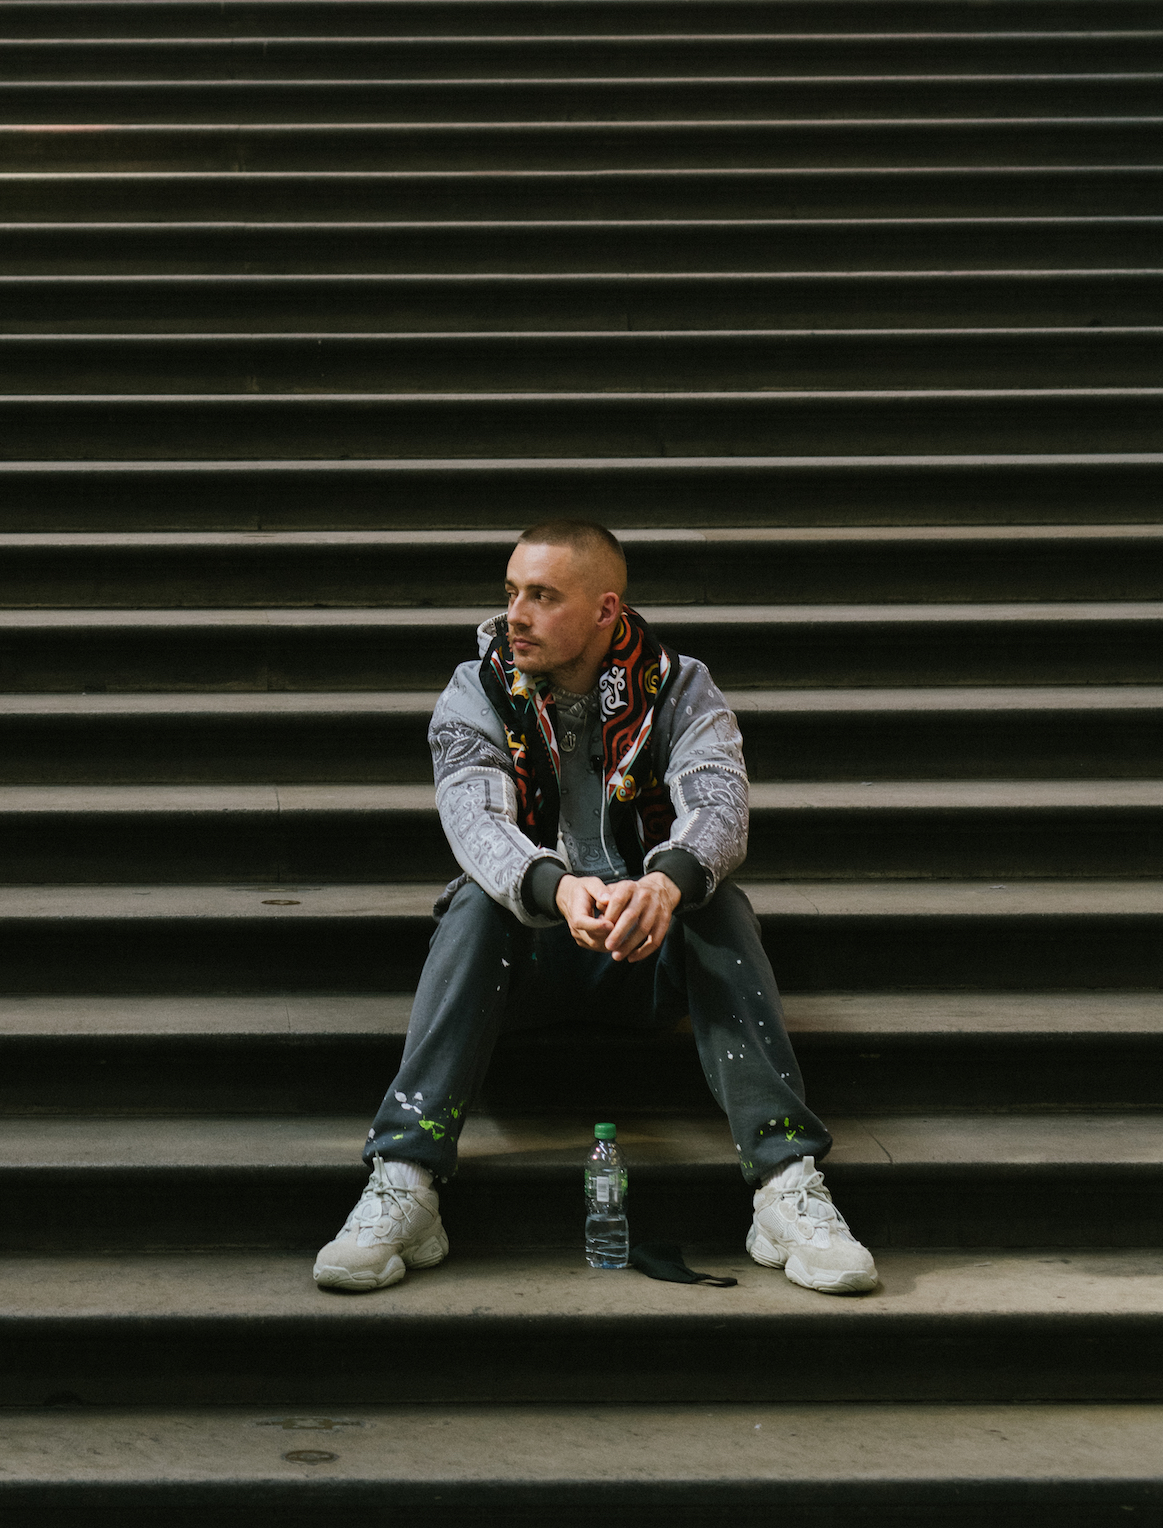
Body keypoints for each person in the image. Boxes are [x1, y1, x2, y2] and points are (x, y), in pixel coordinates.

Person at [314, 518, 877, 1299]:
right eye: (511, 592)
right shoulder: (474, 690)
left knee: (720, 906)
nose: (515, 614)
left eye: (542, 596)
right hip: (528, 960)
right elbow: (473, 821)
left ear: (606, 610)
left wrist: (665, 883)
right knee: (475, 904)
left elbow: (720, 801)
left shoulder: (680, 687)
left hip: (646, 959)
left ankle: (787, 1184)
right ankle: (405, 1178)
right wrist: (555, 886)